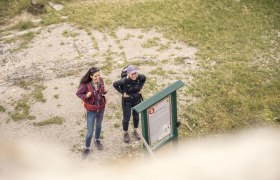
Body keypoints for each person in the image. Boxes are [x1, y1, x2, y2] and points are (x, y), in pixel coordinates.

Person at [76, 67, 108, 156]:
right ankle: (87, 147)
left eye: (98, 75)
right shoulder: (86, 85)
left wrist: (105, 91)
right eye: (95, 76)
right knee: (90, 131)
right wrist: (86, 95)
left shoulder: (101, 81)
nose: (97, 78)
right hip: (91, 110)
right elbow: (78, 93)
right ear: (91, 76)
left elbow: (102, 92)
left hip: (101, 108)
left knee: (98, 126)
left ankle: (97, 140)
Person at [113, 65, 146, 143]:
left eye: (135, 73)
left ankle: (135, 130)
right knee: (126, 118)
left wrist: (141, 87)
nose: (134, 75)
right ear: (128, 74)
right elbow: (114, 84)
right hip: (127, 101)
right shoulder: (124, 80)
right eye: (132, 74)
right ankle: (125, 133)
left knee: (136, 116)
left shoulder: (140, 77)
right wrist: (122, 93)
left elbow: (144, 79)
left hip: (137, 99)